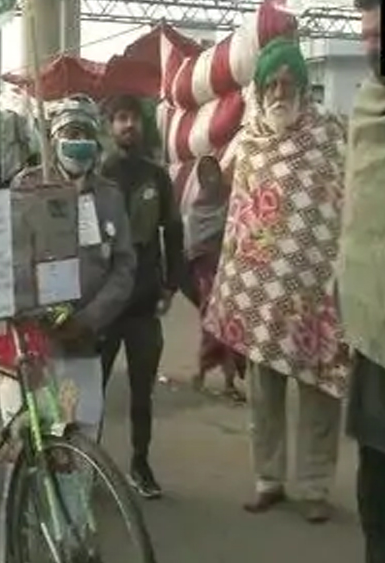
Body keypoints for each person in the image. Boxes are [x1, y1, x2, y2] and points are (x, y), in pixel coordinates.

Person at [203, 37, 348, 523]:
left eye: (289, 81)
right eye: (272, 82)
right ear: (260, 88)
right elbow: (233, 209)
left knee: (320, 395)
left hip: (317, 294)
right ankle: (268, 479)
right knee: (264, 394)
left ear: (304, 85)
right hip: (260, 295)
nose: (281, 90)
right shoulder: (249, 142)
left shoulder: (331, 133)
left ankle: (314, 488)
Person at [3, 94, 135, 558]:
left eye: (84, 135)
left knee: (78, 437)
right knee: (33, 440)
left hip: (83, 341)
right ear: (52, 139)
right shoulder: (26, 188)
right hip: (32, 342)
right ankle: (29, 528)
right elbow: (13, 259)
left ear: (95, 143)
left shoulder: (110, 197)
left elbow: (124, 268)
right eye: (68, 135)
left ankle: (75, 536)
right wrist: (38, 315)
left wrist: (89, 320)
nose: (76, 144)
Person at [97, 94, 183, 500]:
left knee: (141, 392)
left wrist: (172, 283)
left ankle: (140, 464)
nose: (129, 125)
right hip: (103, 305)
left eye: (134, 118)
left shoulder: (157, 177)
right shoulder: (98, 176)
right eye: (121, 118)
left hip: (145, 302)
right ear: (111, 126)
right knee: (88, 390)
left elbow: (174, 230)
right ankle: (82, 466)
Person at [339, 0, 385, 558]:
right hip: (374, 333)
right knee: (376, 477)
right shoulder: (368, 107)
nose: (370, 35)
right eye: (366, 22)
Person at [184, 156, 245, 401]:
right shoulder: (198, 206)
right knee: (211, 325)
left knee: (231, 328)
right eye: (205, 175)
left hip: (230, 273)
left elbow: (240, 227)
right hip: (206, 275)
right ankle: (201, 373)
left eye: (213, 173)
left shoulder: (230, 197)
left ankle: (229, 382)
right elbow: (194, 243)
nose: (210, 178)